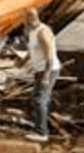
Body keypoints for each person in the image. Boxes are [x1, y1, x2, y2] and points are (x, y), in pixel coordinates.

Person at [25, 9, 61, 138]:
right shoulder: (32, 32)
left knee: (39, 100)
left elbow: (50, 55)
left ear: (32, 17)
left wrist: (46, 75)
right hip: (39, 69)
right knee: (40, 99)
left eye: (26, 18)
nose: (24, 22)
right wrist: (22, 60)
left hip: (48, 70)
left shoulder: (43, 31)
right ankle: (42, 128)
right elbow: (32, 51)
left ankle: (42, 133)